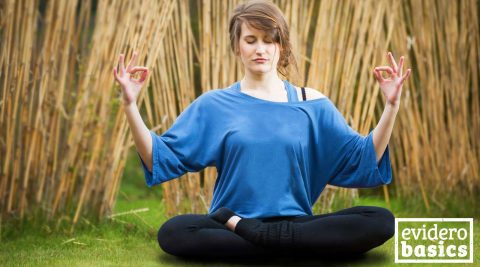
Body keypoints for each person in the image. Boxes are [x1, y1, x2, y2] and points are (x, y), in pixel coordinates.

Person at [113, 0, 411, 260]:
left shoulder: (312, 104)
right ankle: (288, 247)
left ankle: (264, 241)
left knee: (380, 220)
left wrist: (391, 105)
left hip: (292, 223)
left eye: (269, 40)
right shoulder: (215, 104)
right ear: (236, 46)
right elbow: (159, 157)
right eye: (251, 39)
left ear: (280, 47)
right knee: (174, 232)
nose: (261, 49)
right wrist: (130, 105)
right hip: (230, 223)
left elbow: (363, 158)